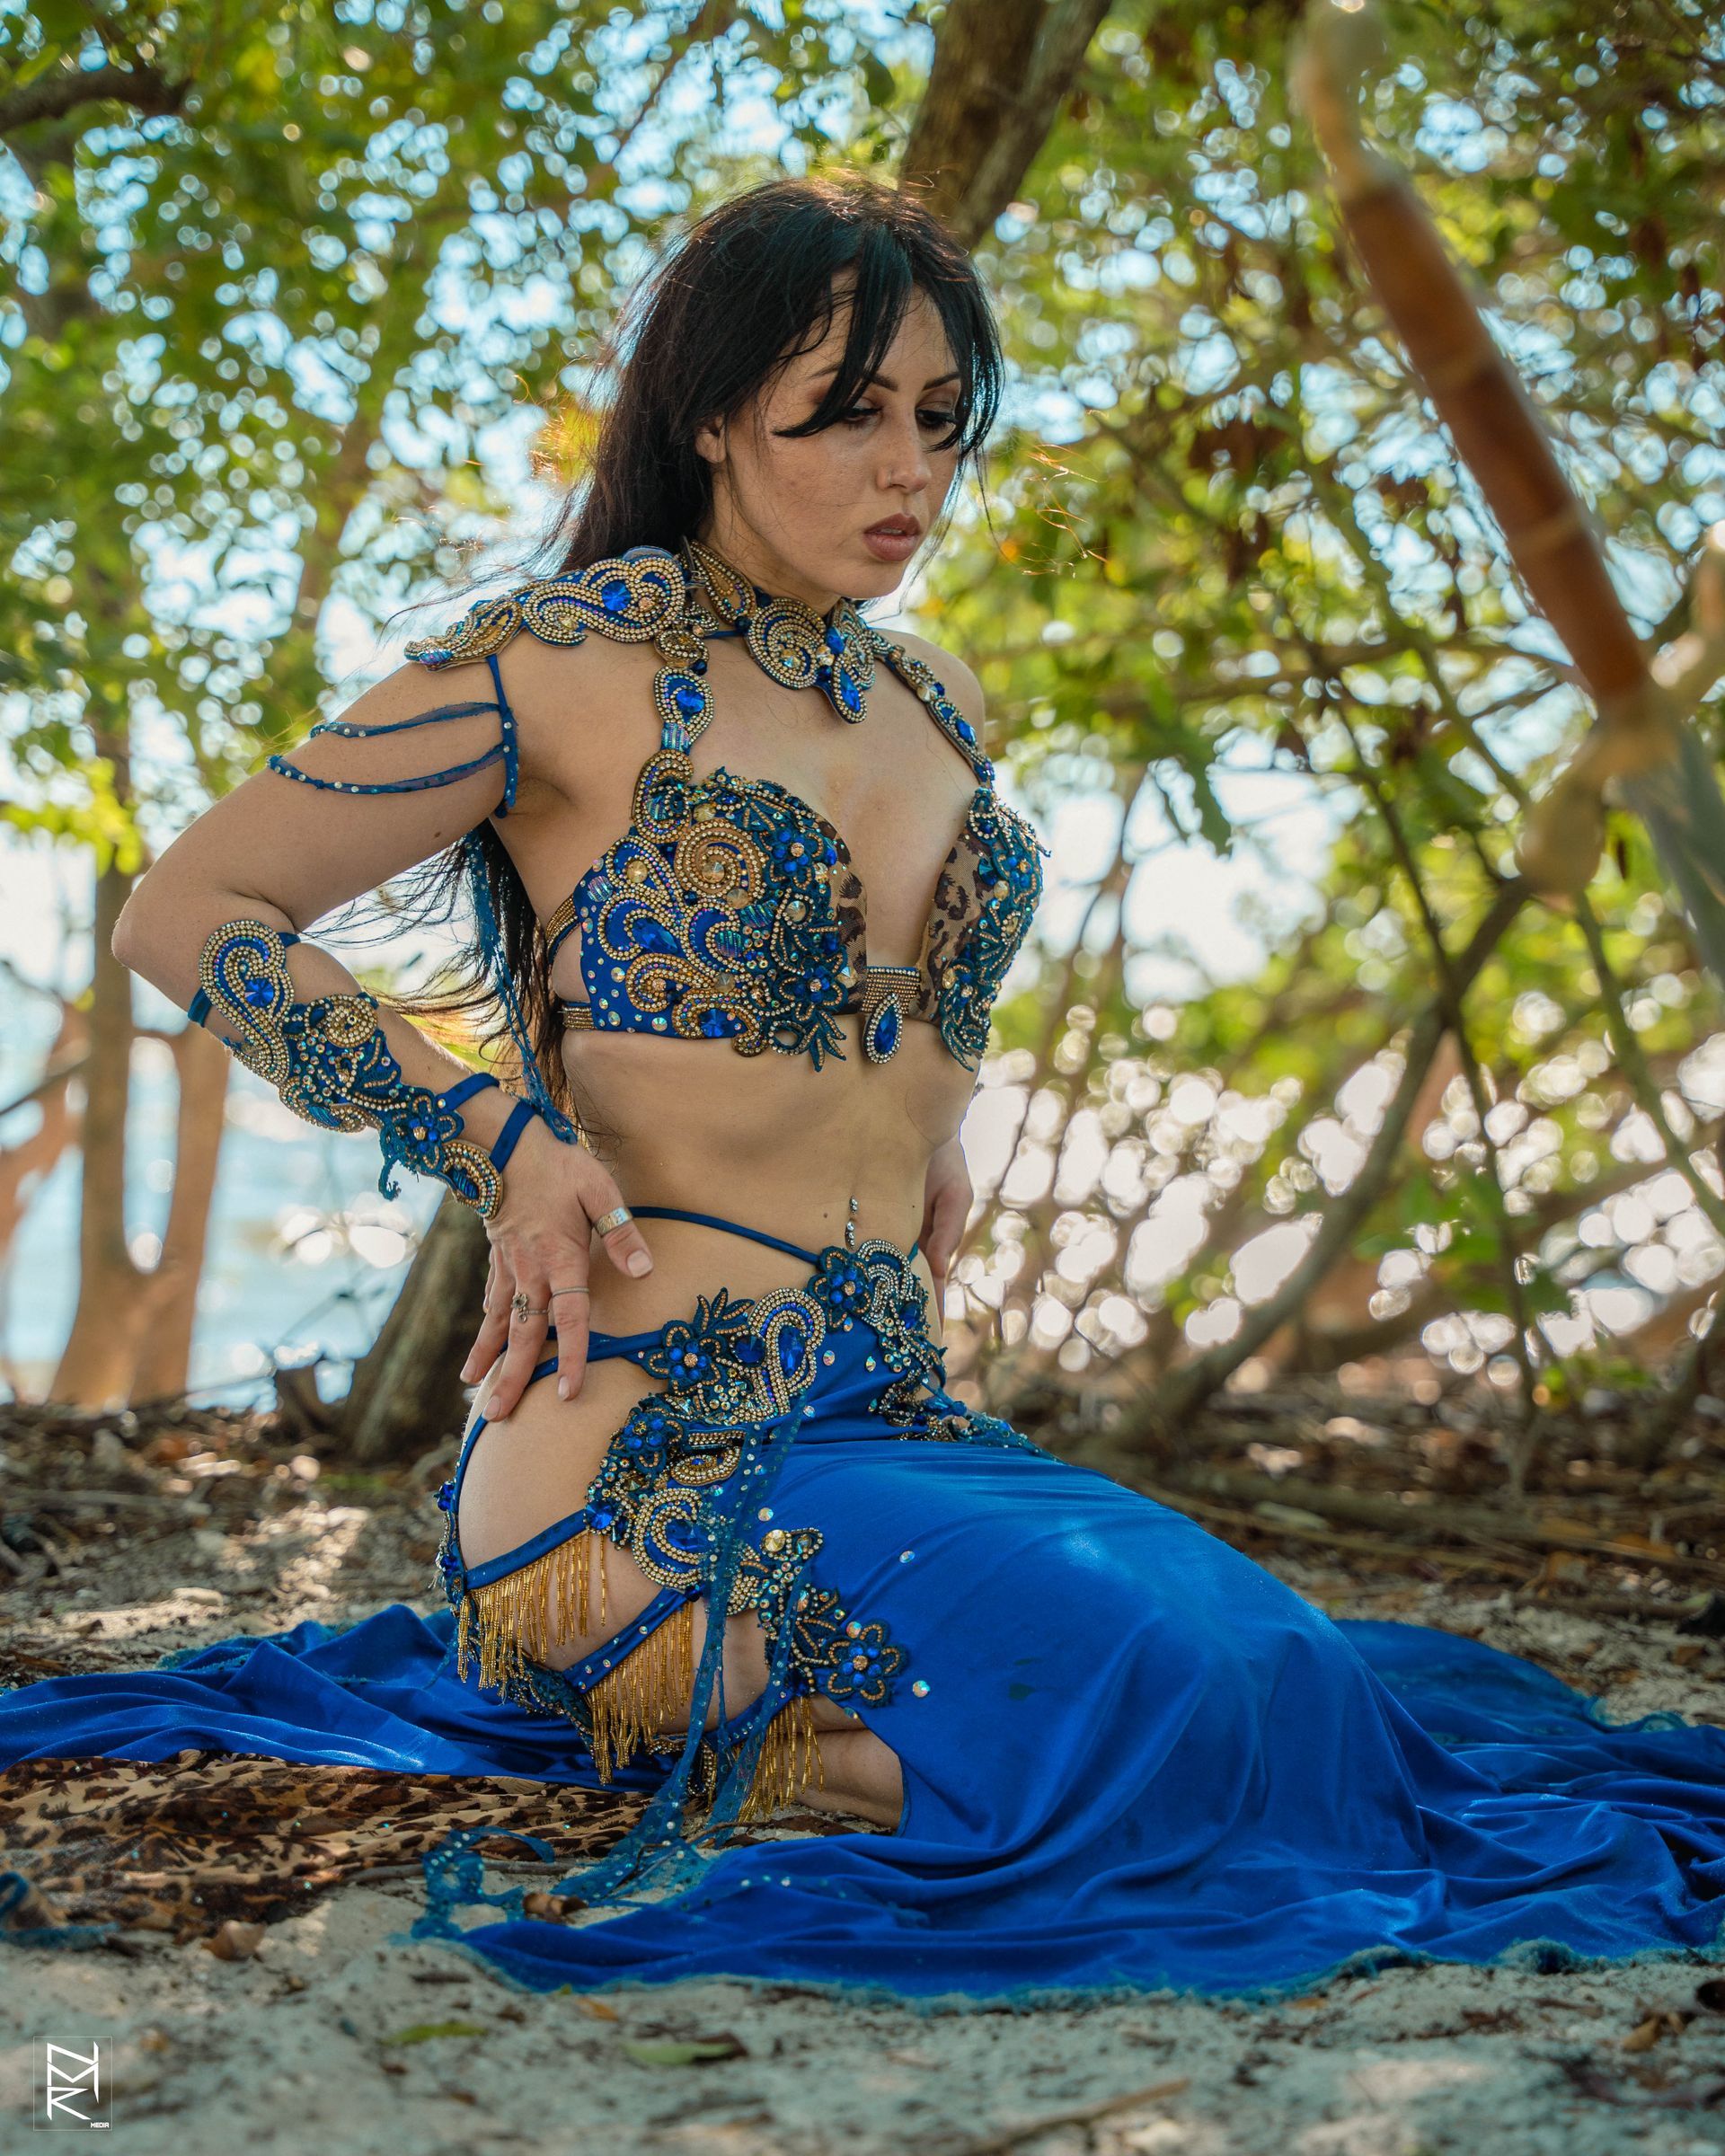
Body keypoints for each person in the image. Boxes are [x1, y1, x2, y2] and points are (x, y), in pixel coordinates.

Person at [8, 173, 1725, 2007]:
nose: (905, 467)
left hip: (895, 1416)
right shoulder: (565, 664)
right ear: (717, 414)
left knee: (1284, 1666)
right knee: (1178, 1715)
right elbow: (192, 909)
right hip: (642, 1456)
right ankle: (691, 1722)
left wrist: (930, 1135)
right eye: (847, 413)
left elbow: (882, 1027)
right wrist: (494, 1135)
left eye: (935, 420)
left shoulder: (939, 697)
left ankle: (802, 1747)